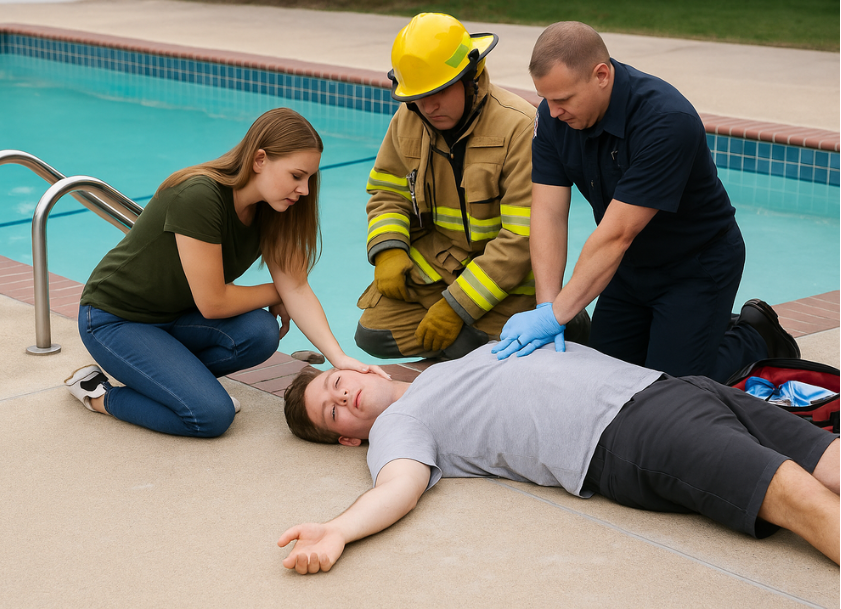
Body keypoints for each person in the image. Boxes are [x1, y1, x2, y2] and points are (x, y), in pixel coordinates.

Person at [278, 343, 839, 573]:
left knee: (829, 458)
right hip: (629, 434)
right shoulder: (399, 428)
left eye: (333, 383)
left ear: (358, 369)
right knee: (797, 497)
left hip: (667, 387)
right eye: (332, 413)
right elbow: (396, 487)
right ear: (351, 439)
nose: (340, 396)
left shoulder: (440, 370)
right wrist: (338, 530)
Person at [492, 22, 799, 382]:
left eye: (563, 100)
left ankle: (755, 335)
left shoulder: (666, 121)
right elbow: (548, 213)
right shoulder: (552, 117)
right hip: (628, 267)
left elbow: (616, 234)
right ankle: (692, 333)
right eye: (546, 98)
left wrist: (556, 315)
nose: (553, 111)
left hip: (695, 268)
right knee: (602, 381)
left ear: (601, 75)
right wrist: (547, 304)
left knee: (672, 390)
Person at [64, 108, 386, 438]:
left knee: (261, 332)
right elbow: (214, 304)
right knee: (209, 416)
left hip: (175, 316)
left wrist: (340, 357)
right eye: (296, 176)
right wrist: (277, 292)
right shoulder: (199, 196)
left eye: (309, 179)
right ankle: (98, 395)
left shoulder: (273, 210)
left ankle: (176, 384)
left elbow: (297, 288)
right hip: (115, 319)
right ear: (259, 159)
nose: (304, 189)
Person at [356, 12, 590, 361]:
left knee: (467, 345)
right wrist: (389, 250)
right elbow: (387, 192)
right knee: (372, 335)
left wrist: (456, 307)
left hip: (506, 286)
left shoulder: (519, 127)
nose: (428, 105)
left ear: (473, 76)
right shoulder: (408, 119)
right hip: (439, 273)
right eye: (418, 95)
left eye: (440, 90)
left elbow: (521, 238)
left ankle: (570, 324)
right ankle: (477, 340)